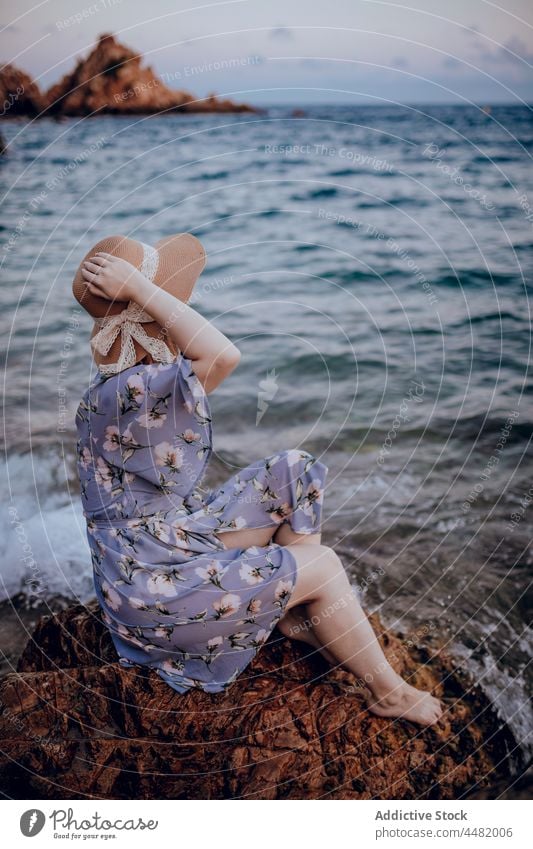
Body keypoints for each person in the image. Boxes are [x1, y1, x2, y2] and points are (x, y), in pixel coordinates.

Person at [74, 233, 443, 726]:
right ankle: (387, 693)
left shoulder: (130, 382)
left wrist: (139, 291)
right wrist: (142, 288)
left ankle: (297, 607)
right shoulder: (135, 389)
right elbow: (222, 355)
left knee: (295, 469)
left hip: (161, 544)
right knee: (327, 565)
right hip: (151, 590)